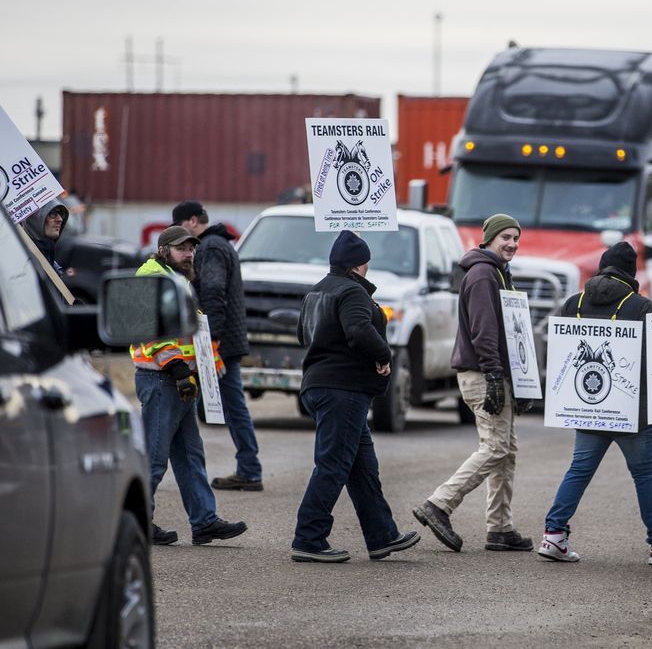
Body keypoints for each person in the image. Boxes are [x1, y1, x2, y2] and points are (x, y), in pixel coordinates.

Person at [290, 230, 419, 563]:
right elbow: (359, 330)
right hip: (343, 391)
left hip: (319, 386)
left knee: (363, 468)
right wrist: (383, 355)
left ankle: (382, 536)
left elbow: (302, 334)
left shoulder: (316, 292)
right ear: (361, 264)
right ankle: (309, 538)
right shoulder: (352, 292)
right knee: (332, 465)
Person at [537, 242, 652, 564]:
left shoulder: (573, 303)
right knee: (646, 475)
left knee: (579, 469)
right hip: (630, 410)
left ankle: (554, 535)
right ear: (631, 272)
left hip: (588, 405)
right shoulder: (640, 306)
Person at [413, 213, 533, 553]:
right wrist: (495, 374)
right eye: (505, 237)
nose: (511, 244)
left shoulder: (497, 272)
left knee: (506, 453)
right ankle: (439, 504)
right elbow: (484, 332)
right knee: (495, 448)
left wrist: (520, 380)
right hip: (482, 373)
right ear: (490, 239)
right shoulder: (483, 274)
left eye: (515, 238)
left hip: (495, 373)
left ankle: (499, 528)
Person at [132, 226, 248, 547]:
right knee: (155, 458)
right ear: (164, 249)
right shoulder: (152, 277)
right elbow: (151, 331)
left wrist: (208, 365)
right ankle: (136, 521)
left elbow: (192, 328)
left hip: (180, 379)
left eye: (192, 249)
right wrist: (177, 367)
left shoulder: (179, 279)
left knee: (191, 456)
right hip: (161, 378)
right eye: (182, 248)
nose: (190, 254)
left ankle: (204, 521)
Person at [173, 200, 263, 492]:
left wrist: (211, 341)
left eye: (180, 227)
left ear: (193, 220)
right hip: (226, 338)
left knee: (230, 406)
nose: (180, 236)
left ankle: (249, 469)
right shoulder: (220, 244)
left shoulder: (210, 247)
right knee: (230, 404)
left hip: (218, 342)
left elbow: (212, 292)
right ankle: (248, 467)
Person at [23, 199, 69, 276]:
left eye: (61, 214)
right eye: (52, 213)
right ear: (35, 218)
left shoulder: (49, 254)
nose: (60, 219)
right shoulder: (25, 262)